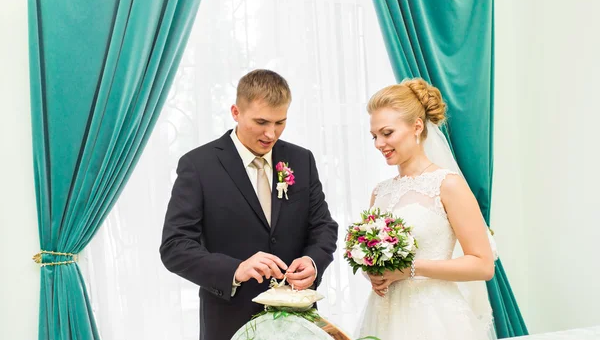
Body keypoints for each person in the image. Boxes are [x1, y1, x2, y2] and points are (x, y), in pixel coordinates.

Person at [160, 69, 338, 340]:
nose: (271, 133)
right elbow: (175, 247)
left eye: (280, 122)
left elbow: (323, 227)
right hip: (229, 322)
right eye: (261, 121)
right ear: (235, 112)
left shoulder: (301, 160)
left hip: (299, 324)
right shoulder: (198, 165)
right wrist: (236, 270)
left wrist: (313, 262)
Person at [356, 78, 496, 340]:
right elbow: (373, 253)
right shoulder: (380, 192)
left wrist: (410, 269)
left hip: (434, 318)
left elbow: (483, 265)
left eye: (387, 133)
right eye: (374, 136)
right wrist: (371, 271)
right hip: (383, 316)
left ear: (417, 127)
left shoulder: (447, 185)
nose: (378, 144)